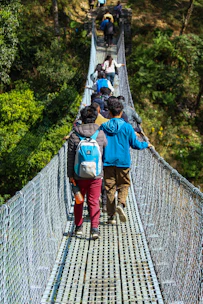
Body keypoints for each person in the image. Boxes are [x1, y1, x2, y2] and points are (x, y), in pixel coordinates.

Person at [100, 99, 152, 224]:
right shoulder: (128, 127)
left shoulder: (103, 127)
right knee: (124, 185)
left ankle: (111, 216)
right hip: (123, 162)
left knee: (110, 188)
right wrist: (146, 144)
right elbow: (135, 145)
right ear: (122, 112)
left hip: (108, 162)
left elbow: (98, 143)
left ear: (110, 113)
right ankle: (121, 204)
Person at [67, 106, 107, 239]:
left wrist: (70, 175)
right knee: (94, 201)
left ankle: (78, 227)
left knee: (79, 201)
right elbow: (104, 150)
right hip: (96, 175)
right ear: (95, 117)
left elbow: (70, 157)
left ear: (82, 119)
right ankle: (94, 229)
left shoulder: (74, 135)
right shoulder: (100, 134)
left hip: (78, 174)